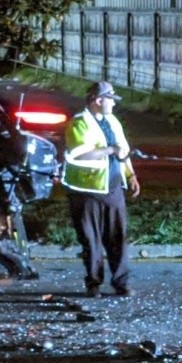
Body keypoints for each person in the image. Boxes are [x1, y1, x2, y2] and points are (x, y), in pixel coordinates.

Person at [62, 80, 140, 297]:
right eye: (111, 99)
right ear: (98, 101)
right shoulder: (79, 123)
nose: (114, 104)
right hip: (85, 191)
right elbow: (79, 153)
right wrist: (110, 149)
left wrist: (130, 174)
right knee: (91, 239)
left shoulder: (112, 121)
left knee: (118, 237)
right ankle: (94, 283)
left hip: (112, 187)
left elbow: (123, 150)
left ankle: (121, 283)